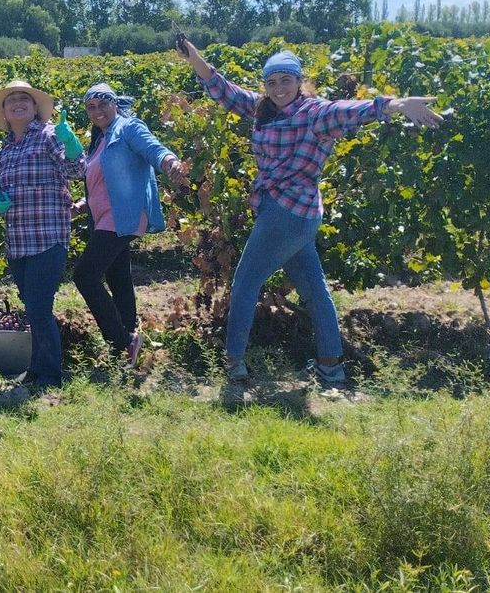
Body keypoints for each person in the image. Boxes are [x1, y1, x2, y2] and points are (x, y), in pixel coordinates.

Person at [176, 40, 444, 384]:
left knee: (245, 283)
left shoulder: (314, 113)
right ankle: (331, 367)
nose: (279, 89)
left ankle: (233, 364)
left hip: (285, 214)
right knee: (314, 290)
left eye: (286, 81)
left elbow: (351, 111)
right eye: (272, 82)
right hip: (300, 215)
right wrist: (193, 56)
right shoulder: (263, 109)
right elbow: (223, 89)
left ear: (300, 81)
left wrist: (397, 105)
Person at [70, 84, 187, 367]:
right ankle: (126, 347)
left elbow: (153, 148)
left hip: (121, 215)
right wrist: (83, 205)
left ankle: (121, 341)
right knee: (118, 277)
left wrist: (169, 161)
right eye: (91, 107)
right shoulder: (100, 138)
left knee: (84, 276)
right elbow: (103, 182)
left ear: (115, 104)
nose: (97, 111)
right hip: (104, 217)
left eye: (103, 104)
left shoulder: (128, 127)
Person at [0, 80, 86, 388]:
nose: (18, 103)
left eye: (24, 99)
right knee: (33, 308)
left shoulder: (49, 135)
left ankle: (51, 376)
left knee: (40, 308)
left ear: (34, 107)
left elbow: (77, 171)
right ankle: (37, 370)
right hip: (18, 241)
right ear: (4, 111)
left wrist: (72, 145)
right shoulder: (5, 149)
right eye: (11, 100)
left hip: (47, 236)